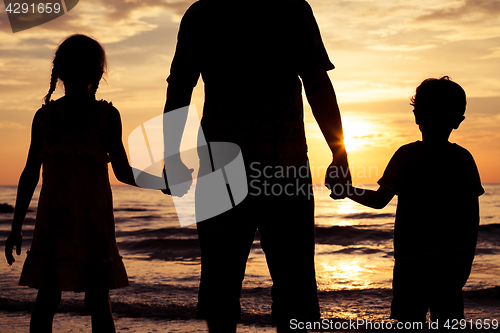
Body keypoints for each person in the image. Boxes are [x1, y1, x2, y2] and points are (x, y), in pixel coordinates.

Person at [164, 1, 350, 332]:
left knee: (222, 286)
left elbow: (180, 88)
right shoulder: (290, 9)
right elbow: (316, 81)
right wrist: (339, 153)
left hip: (223, 167)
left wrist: (171, 157)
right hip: (283, 165)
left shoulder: (204, 13)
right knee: (295, 290)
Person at [4, 34, 138, 333]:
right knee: (83, 301)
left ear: (59, 72)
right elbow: (30, 173)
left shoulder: (104, 116)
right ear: (99, 74)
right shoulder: (46, 117)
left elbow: (29, 175)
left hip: (84, 221)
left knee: (58, 300)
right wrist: (15, 227)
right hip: (61, 223)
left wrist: (16, 227)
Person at [344, 76, 484, 326]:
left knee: (408, 324)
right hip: (449, 261)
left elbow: (378, 201)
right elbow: (471, 218)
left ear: (417, 115)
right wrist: (467, 260)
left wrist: (347, 191)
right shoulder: (463, 158)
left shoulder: (406, 155)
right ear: (458, 120)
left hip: (411, 262)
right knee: (449, 324)